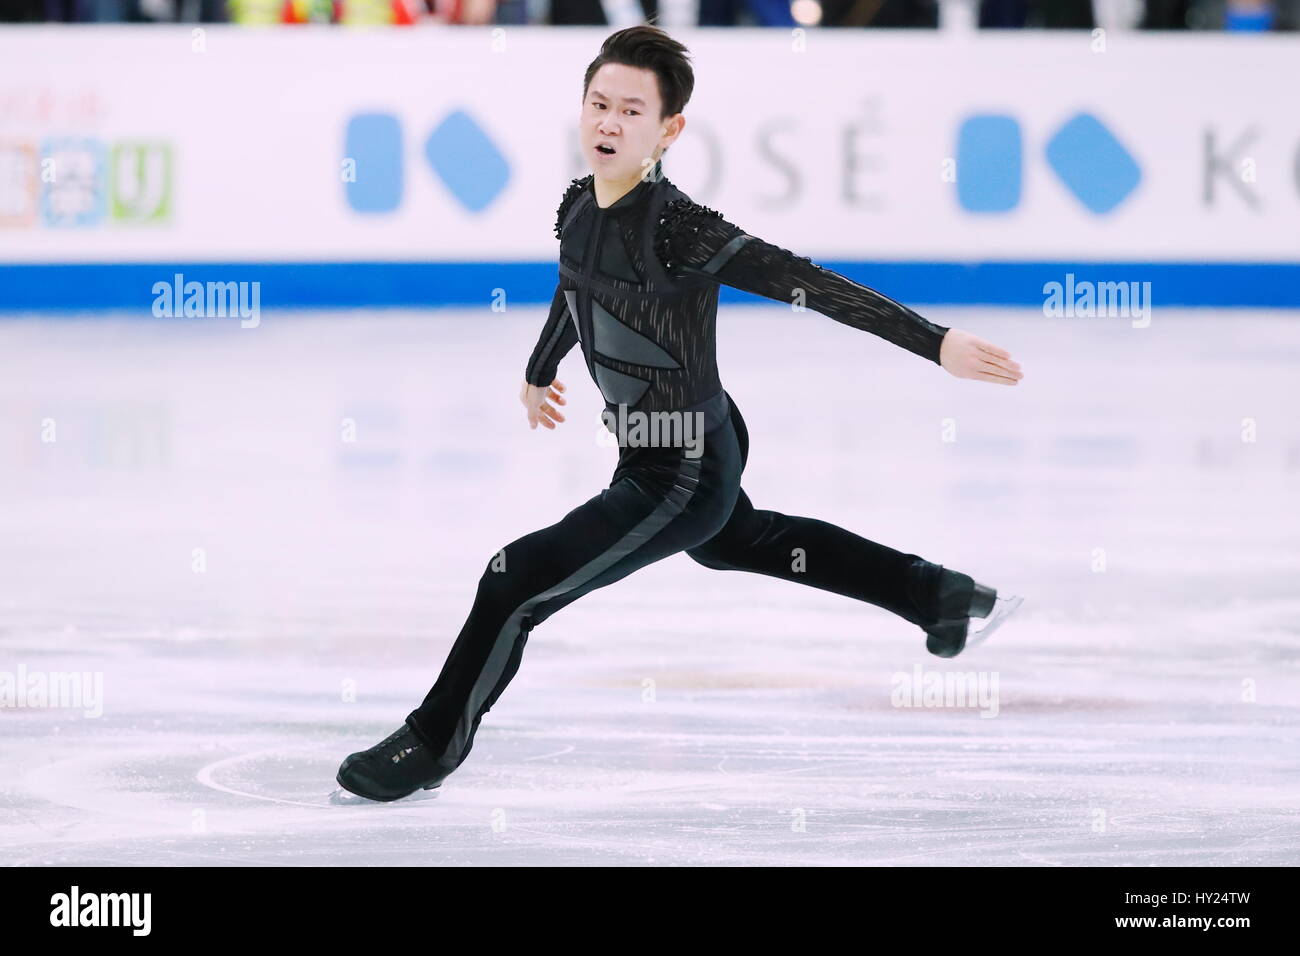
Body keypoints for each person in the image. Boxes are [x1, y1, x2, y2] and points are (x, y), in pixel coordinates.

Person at [335, 25, 1025, 803]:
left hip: (684, 466)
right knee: (745, 542)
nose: (607, 123)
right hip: (664, 441)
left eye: (631, 111)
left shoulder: (680, 227)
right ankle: (940, 596)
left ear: (669, 130)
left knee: (514, 581)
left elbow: (806, 281)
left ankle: (431, 743)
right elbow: (577, 286)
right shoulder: (577, 205)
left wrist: (935, 343)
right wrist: (540, 367)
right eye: (598, 104)